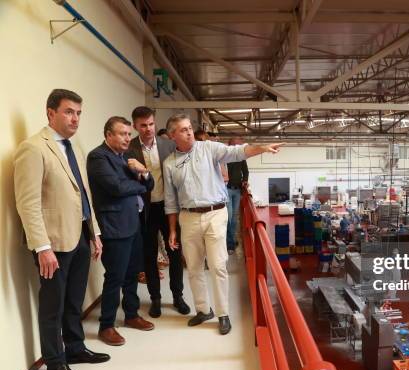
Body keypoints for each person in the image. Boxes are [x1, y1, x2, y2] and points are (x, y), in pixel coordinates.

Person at [14, 89, 109, 370]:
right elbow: (27, 203)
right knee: (52, 305)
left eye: (79, 113)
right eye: (69, 111)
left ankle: (76, 348)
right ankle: (55, 362)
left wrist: (94, 231)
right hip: (52, 243)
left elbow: (82, 193)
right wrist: (42, 247)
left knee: (74, 299)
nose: (75, 118)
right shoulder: (33, 148)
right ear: (50, 112)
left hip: (79, 236)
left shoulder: (72, 147)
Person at [163, 113, 282, 335]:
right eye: (183, 130)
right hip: (188, 218)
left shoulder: (208, 148)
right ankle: (202, 310)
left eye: (189, 128)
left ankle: (223, 313)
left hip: (216, 213)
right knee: (195, 267)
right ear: (172, 135)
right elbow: (170, 201)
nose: (189, 132)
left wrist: (262, 147)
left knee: (218, 266)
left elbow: (236, 152)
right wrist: (172, 230)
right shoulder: (170, 164)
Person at [87, 116, 155, 346]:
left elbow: (150, 185)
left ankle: (131, 315)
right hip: (114, 227)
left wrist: (143, 172)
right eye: (122, 134)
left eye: (128, 134)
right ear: (108, 135)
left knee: (132, 273)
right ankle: (106, 326)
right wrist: (140, 182)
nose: (128, 138)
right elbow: (116, 188)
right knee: (114, 277)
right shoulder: (98, 157)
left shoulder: (127, 157)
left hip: (133, 223)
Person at [126, 106, 189, 318]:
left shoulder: (169, 145)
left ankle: (178, 296)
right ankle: (155, 298)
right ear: (135, 126)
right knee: (149, 255)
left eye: (151, 124)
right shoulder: (129, 148)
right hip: (144, 211)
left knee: (174, 253)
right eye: (143, 125)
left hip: (169, 207)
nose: (148, 129)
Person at [226, 137, 249, 252]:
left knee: (234, 219)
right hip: (226, 190)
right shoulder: (224, 156)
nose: (236, 147)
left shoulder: (241, 158)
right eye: (234, 145)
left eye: (238, 145)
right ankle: (230, 244)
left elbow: (246, 171)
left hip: (237, 190)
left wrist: (245, 180)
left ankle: (231, 241)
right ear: (228, 145)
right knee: (228, 218)